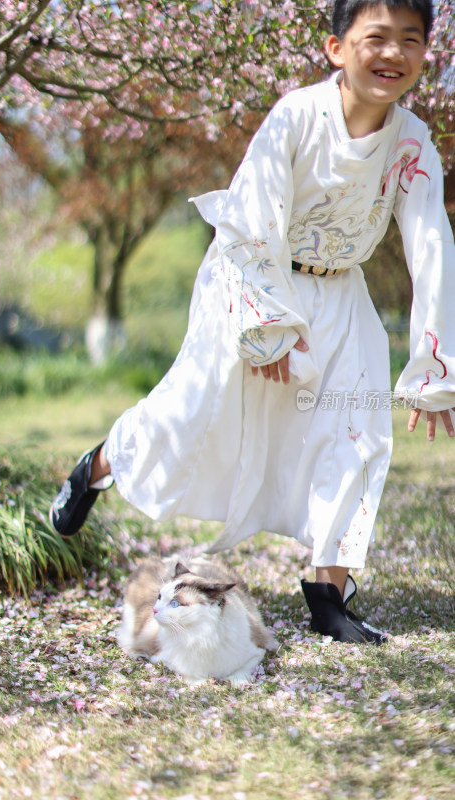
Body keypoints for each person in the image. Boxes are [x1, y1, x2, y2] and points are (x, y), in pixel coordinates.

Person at [50, 0, 455, 644]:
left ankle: (330, 594)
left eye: (411, 39)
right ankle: (99, 463)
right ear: (335, 48)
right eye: (376, 37)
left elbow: (431, 243)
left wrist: (434, 368)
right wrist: (265, 323)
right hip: (250, 279)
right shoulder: (296, 116)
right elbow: (252, 217)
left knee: (356, 433)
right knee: (190, 415)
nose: (393, 54)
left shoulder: (412, 144)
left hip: (340, 293)